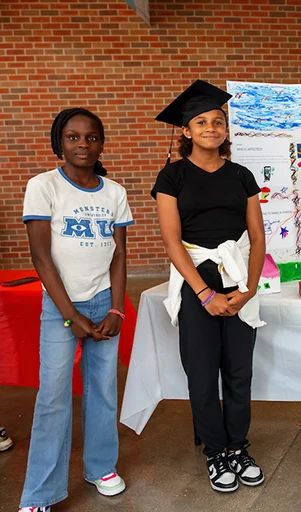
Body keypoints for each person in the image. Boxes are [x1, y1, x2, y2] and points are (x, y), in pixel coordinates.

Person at [152, 80, 267, 493]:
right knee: (201, 375)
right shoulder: (172, 176)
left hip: (238, 277)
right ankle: (216, 452)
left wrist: (249, 288)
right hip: (195, 278)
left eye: (217, 121)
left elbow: (256, 236)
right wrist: (204, 294)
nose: (211, 128)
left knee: (239, 373)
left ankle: (238, 446)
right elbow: (171, 240)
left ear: (225, 130)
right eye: (201, 122)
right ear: (186, 131)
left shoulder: (241, 175)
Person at [19, 108, 134, 512]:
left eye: (91, 137)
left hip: (104, 301)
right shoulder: (44, 186)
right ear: (59, 142)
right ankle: (41, 493)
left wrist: (117, 310)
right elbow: (41, 257)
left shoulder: (113, 192)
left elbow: (119, 255)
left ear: (102, 143)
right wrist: (71, 316)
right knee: (52, 396)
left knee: (103, 389)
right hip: (60, 304)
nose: (82, 144)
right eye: (72, 137)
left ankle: (101, 466)